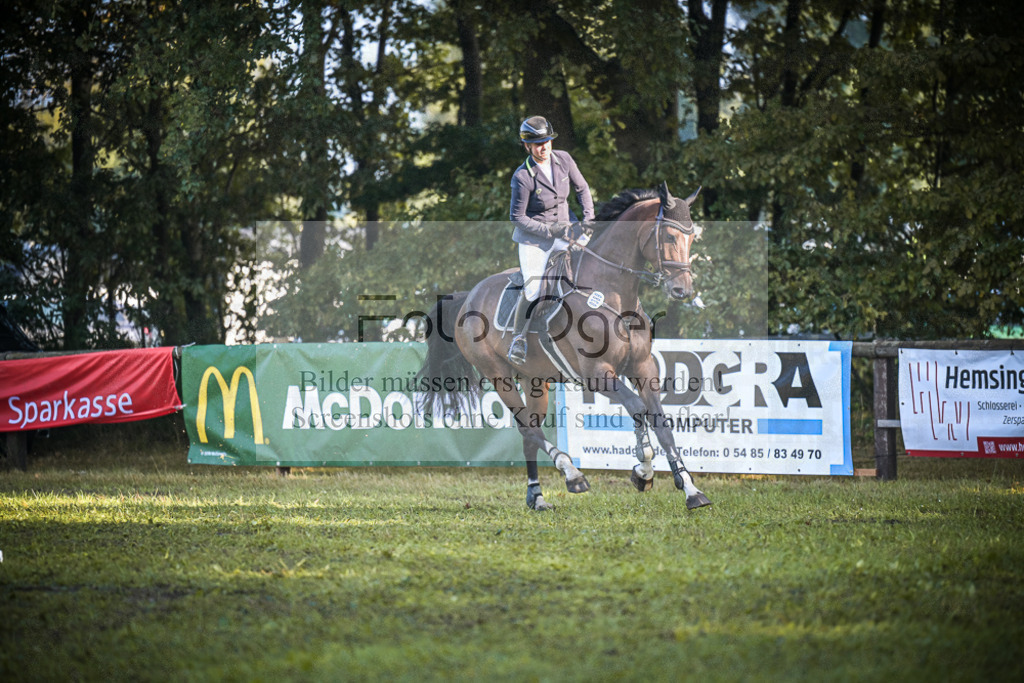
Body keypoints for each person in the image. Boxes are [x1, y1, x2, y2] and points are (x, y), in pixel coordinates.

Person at [507, 115, 594, 365]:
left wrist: (589, 217)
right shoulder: (522, 176)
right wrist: (548, 231)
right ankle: (519, 339)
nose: (543, 147)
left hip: (567, 232)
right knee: (533, 287)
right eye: (537, 144)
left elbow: (582, 189)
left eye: (546, 141)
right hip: (536, 239)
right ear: (527, 147)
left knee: (589, 266)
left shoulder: (564, 159)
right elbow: (517, 217)